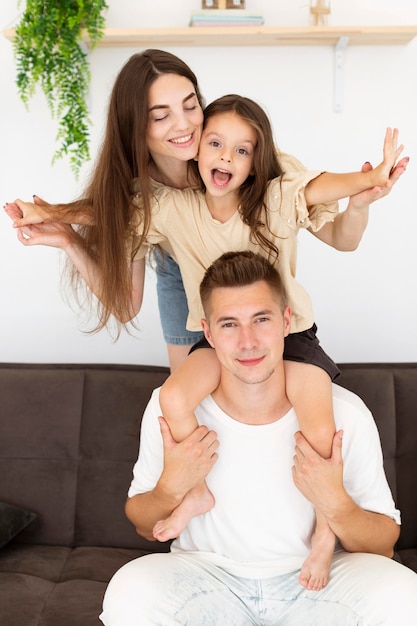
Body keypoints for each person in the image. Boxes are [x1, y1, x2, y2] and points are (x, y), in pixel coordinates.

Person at [6, 93, 408, 590]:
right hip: (215, 340)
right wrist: (50, 211)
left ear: (256, 161)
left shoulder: (274, 200)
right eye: (215, 143)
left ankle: (324, 536)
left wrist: (369, 179)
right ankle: (194, 493)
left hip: (291, 337)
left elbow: (319, 186)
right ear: (194, 150)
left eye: (243, 151)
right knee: (173, 397)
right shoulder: (173, 210)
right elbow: (109, 212)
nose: (226, 157)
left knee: (320, 431)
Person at [99, 250, 417, 626]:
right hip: (207, 577)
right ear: (208, 333)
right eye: (229, 324)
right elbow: (140, 521)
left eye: (261, 320)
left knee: (404, 595)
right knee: (130, 590)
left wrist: (334, 502)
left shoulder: (344, 412)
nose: (248, 341)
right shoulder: (170, 407)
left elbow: (383, 544)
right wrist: (172, 486)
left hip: (320, 584)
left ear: (286, 321)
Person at [4, 48, 347, 373]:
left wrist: (361, 192)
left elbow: (323, 220)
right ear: (136, 127)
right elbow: (124, 303)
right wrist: (68, 238)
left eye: (190, 105)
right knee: (188, 388)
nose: (183, 125)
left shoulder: (236, 156)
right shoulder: (138, 194)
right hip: (180, 269)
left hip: (253, 277)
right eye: (161, 116)